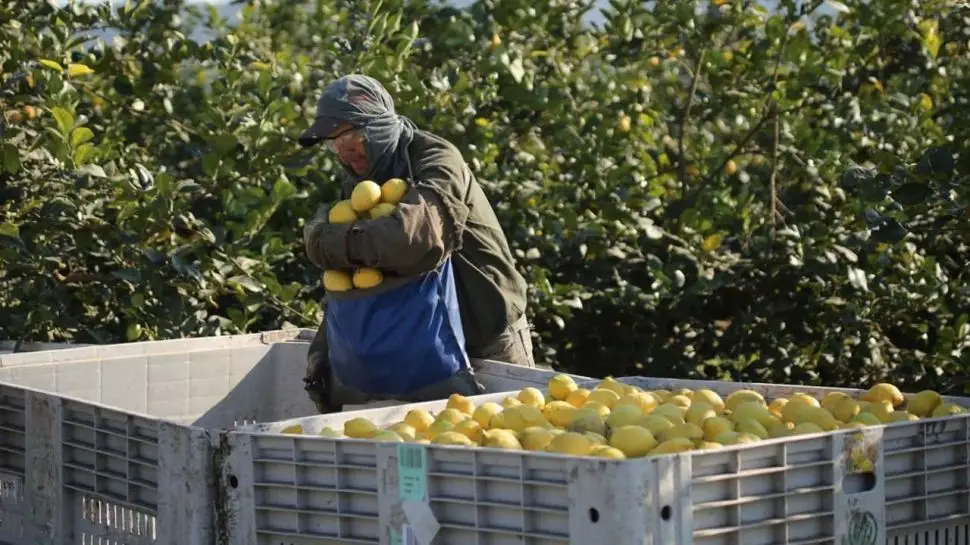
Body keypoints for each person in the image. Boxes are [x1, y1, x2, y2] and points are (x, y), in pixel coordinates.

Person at [298, 74, 534, 413]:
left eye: (352, 135)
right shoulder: (360, 183)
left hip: (488, 335)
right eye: (334, 142)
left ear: (380, 127)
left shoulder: (436, 160)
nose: (345, 150)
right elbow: (356, 267)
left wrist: (320, 239)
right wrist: (327, 352)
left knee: (508, 443)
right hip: (424, 343)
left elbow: (411, 239)